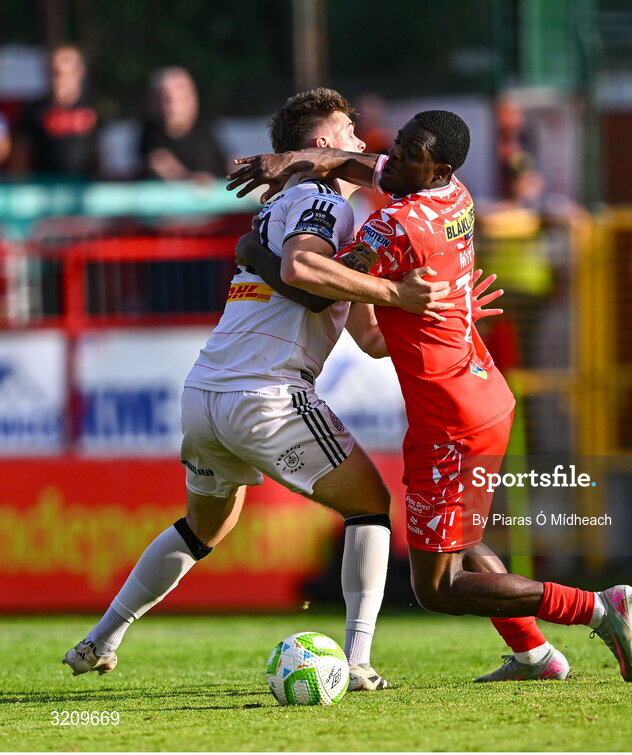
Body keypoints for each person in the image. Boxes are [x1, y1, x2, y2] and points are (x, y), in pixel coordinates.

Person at [62, 88, 465, 691]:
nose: (362, 141)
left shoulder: (289, 209)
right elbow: (306, 274)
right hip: (267, 393)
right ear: (323, 143)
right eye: (349, 129)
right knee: (370, 506)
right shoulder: (321, 199)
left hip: (204, 395)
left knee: (203, 529)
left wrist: (446, 314)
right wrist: (401, 293)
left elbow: (369, 337)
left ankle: (100, 639)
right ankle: (355, 662)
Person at [226, 110, 632, 683]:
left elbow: (316, 284)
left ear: (436, 166)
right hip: (478, 395)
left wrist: (254, 252)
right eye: (394, 147)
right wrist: (292, 162)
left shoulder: (394, 225)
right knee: (464, 545)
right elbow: (371, 326)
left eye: (407, 154)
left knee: (438, 588)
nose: (389, 159)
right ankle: (536, 657)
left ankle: (595, 607)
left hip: (451, 420)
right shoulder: (456, 192)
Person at [10, 44, 99, 177]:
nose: (57, 80)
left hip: (84, 190)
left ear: (79, 72)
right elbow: (20, 153)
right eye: (52, 73)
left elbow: (102, 153)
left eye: (62, 73)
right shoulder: (33, 111)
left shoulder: (95, 108)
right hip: (43, 189)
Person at [140, 67, 226, 182]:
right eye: (167, 100)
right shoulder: (150, 132)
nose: (172, 106)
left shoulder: (206, 128)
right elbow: (158, 161)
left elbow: (226, 163)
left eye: (180, 98)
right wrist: (190, 179)